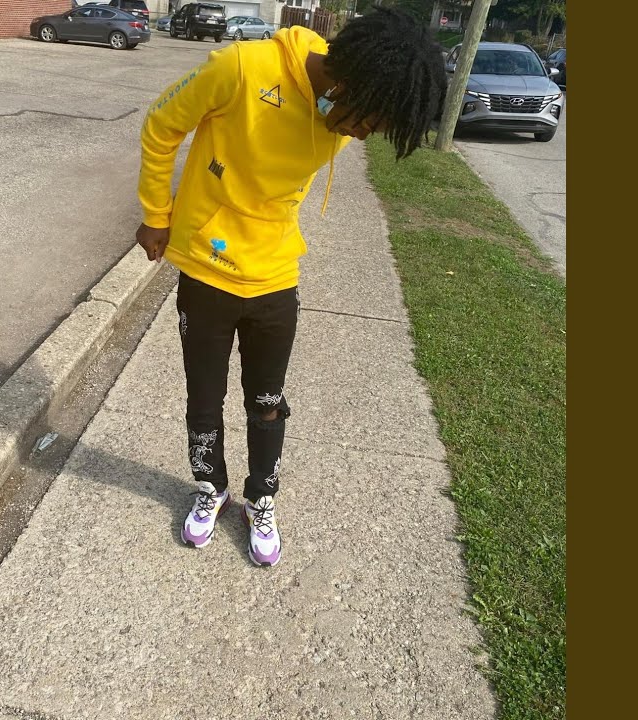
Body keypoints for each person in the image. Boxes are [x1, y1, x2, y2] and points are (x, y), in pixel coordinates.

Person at [134, 7, 447, 567]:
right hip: (206, 269)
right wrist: (157, 215)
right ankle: (211, 488)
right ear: (349, 81)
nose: (361, 135)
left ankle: (261, 497)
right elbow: (161, 125)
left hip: (276, 277)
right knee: (204, 399)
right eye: (369, 122)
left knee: (267, 403)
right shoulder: (240, 67)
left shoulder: (339, 118)